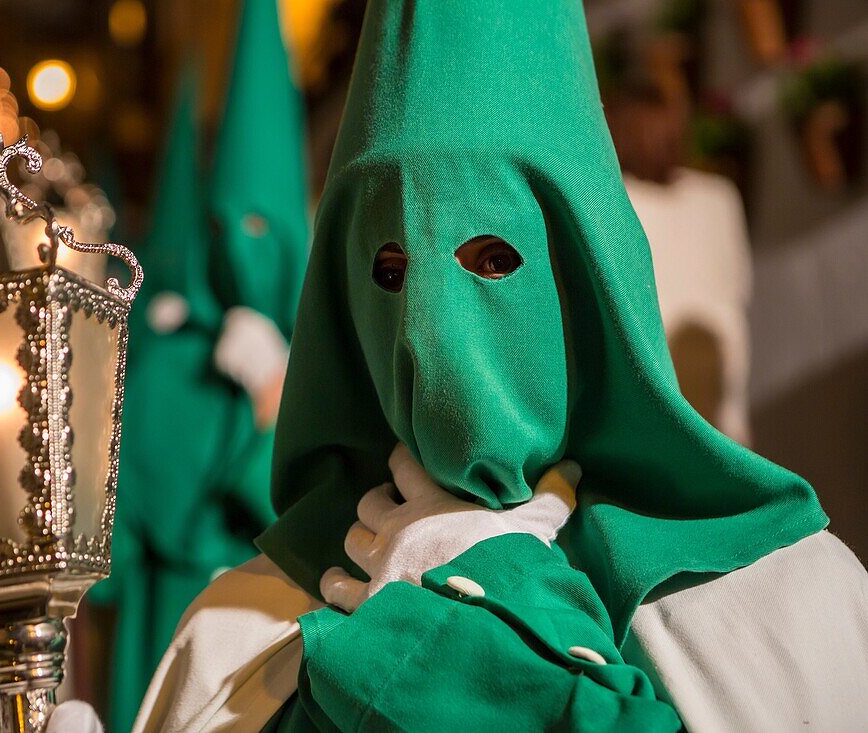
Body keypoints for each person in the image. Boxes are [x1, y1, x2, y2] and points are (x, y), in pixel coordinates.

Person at [52, 0, 868, 730]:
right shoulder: (235, 626)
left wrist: (465, 632)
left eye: (491, 259)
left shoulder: (785, 602)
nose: (426, 336)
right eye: (390, 273)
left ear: (586, 278)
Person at [83, 1, 310, 730]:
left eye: (264, 229)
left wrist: (275, 397)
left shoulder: (324, 359)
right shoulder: (175, 361)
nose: (248, 250)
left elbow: (319, 513)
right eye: (230, 229)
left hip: (273, 631)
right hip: (168, 617)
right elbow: (121, 518)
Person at [605, 82, 754, 444]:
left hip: (723, 400)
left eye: (670, 123)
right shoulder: (615, 204)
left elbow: (738, 288)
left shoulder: (716, 197)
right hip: (655, 405)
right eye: (647, 126)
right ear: (622, 134)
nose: (665, 135)